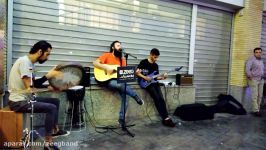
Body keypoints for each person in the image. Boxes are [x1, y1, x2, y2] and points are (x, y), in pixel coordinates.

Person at [8, 40, 69, 150]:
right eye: (47, 54)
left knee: (55, 101)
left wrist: (49, 86)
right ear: (40, 52)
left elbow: (34, 84)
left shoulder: (29, 63)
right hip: (18, 102)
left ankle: (55, 130)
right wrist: (48, 76)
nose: (47, 58)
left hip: (26, 99)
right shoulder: (25, 62)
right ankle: (48, 143)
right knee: (51, 108)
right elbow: (31, 88)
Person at [93, 40, 144, 126]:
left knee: (126, 97)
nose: (119, 47)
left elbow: (124, 73)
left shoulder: (122, 59)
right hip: (107, 80)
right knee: (121, 85)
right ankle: (135, 96)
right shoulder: (107, 55)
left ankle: (121, 119)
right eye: (117, 45)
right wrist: (105, 67)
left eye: (120, 46)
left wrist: (134, 72)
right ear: (113, 47)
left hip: (118, 81)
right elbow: (95, 63)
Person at [136, 48, 175, 127]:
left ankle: (166, 117)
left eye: (157, 57)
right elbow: (137, 73)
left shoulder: (155, 65)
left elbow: (156, 77)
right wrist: (145, 77)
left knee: (161, 98)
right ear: (151, 55)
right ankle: (165, 118)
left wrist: (163, 78)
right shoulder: (143, 62)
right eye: (155, 57)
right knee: (156, 98)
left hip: (153, 82)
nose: (156, 59)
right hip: (145, 82)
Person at [246, 47, 264, 117]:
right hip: (254, 80)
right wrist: (250, 77)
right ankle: (256, 110)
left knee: (260, 96)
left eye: (259, 52)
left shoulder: (261, 60)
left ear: (261, 53)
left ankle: (258, 109)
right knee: (255, 96)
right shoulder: (251, 60)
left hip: (261, 80)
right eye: (256, 52)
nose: (258, 53)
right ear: (254, 53)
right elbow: (247, 69)